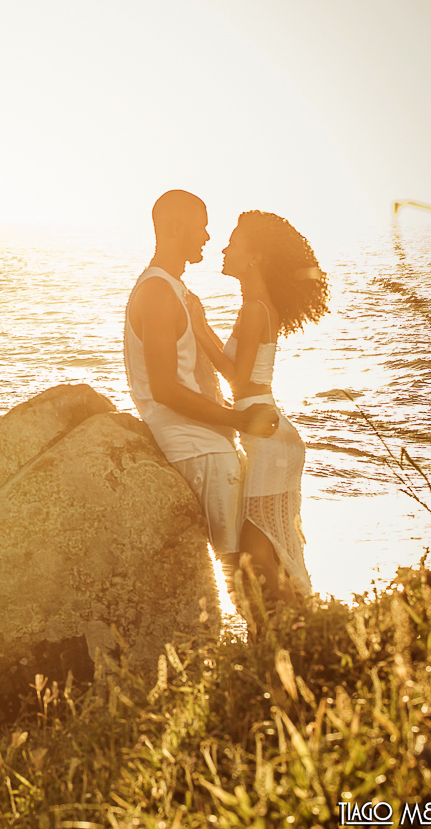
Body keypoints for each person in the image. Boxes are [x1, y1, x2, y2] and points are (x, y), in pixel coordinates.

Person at [124, 190, 279, 605]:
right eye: (201, 226)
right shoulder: (157, 293)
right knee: (239, 574)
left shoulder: (174, 290)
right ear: (175, 228)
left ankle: (267, 654)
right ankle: (265, 660)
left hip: (210, 443)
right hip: (197, 448)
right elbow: (164, 389)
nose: (208, 236)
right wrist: (240, 421)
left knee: (253, 569)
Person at [185, 210, 330, 605]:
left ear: (256, 257)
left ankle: (299, 628)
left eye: (234, 242)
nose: (225, 248)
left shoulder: (255, 309)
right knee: (267, 555)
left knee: (255, 556)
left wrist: (199, 327)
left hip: (266, 438)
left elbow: (238, 378)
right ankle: (297, 634)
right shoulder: (259, 306)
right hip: (269, 434)